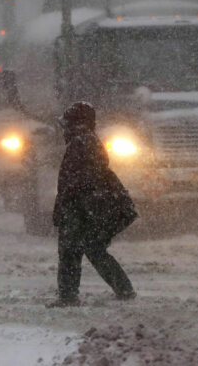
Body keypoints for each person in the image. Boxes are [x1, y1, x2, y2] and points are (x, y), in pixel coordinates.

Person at [48, 101, 137, 308]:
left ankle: (69, 297)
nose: (64, 129)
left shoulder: (81, 143)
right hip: (92, 207)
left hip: (84, 209)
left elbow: (77, 181)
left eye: (67, 124)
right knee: (93, 249)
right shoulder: (87, 141)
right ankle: (124, 289)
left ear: (75, 124)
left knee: (71, 251)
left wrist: (69, 207)